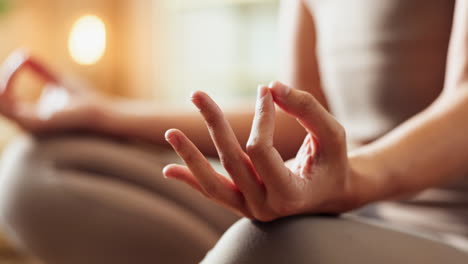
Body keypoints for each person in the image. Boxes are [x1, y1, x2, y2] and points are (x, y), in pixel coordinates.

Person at [0, 0, 467, 263]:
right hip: (351, 216)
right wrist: (104, 114)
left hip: (446, 237)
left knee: (259, 251)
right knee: (36, 174)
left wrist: (348, 181)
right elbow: (298, 112)